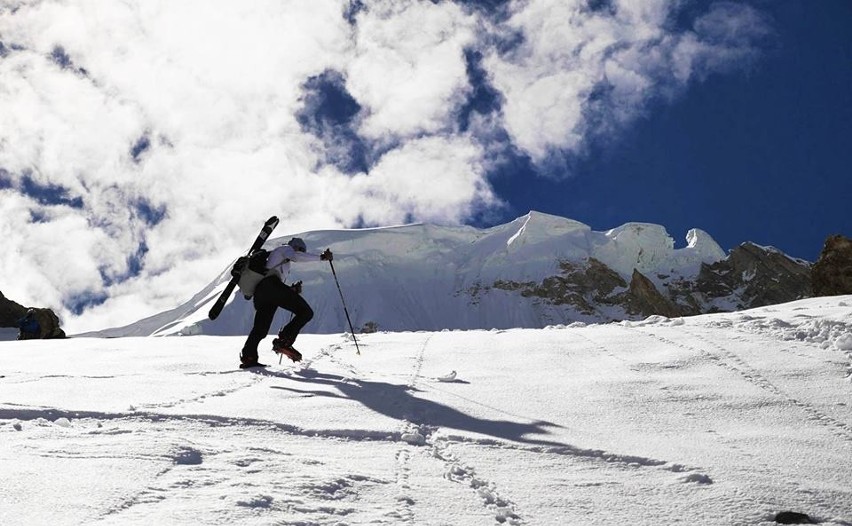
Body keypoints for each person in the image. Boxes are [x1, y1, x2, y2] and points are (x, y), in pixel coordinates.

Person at [240, 237, 333, 368]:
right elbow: (296, 256)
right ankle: (284, 341)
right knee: (306, 312)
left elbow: (275, 285)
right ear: (296, 247)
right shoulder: (286, 249)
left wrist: (292, 290)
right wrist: (322, 257)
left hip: (261, 294)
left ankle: (249, 357)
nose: (301, 253)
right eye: (301, 250)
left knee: (260, 329)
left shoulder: (280, 258)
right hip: (270, 287)